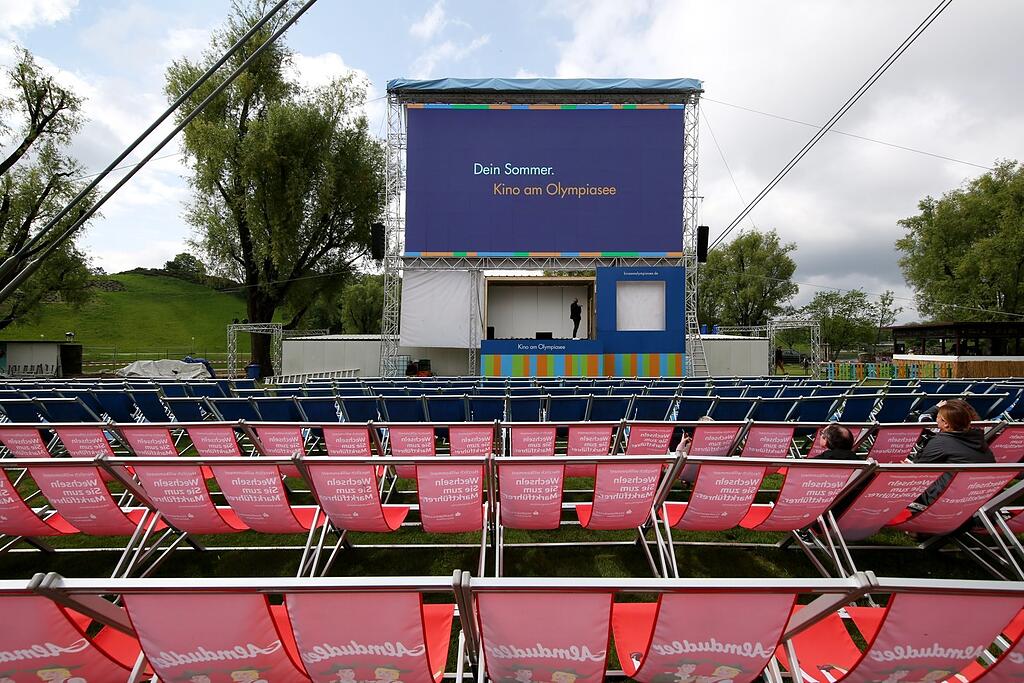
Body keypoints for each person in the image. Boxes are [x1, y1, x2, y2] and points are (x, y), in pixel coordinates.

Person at [907, 399, 994, 509]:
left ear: (945, 423)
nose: (936, 420)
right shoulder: (980, 440)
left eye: (938, 417)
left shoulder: (941, 442)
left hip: (941, 501)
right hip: (976, 498)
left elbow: (917, 472)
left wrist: (907, 468)